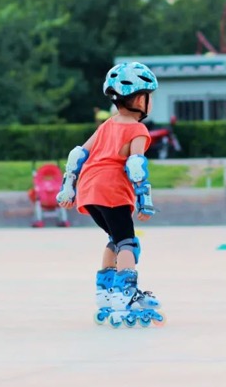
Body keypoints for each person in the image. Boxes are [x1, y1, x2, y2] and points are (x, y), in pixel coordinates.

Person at [56, 62, 164, 328]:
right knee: (128, 242)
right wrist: (144, 200)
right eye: (150, 96)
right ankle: (125, 292)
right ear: (140, 99)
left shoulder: (108, 124)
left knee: (114, 239)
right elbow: (136, 165)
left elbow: (78, 154)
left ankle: (105, 292)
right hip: (112, 190)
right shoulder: (138, 129)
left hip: (89, 190)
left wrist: (68, 186)